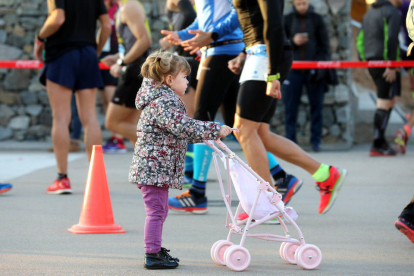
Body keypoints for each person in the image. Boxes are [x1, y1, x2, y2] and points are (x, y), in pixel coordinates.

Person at [162, 0, 302, 215]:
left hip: (224, 51)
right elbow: (206, 18)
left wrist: (213, 35)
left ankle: (198, 194)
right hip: (226, 51)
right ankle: (281, 177)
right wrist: (184, 34)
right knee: (239, 128)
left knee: (203, 122)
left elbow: (238, 14)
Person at [225, 0, 347, 216]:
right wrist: (244, 53)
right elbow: (254, 21)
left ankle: (267, 204)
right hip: (257, 54)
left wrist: (272, 73)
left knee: (243, 130)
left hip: (265, 57)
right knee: (261, 134)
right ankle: (324, 174)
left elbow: (273, 25)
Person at [128, 51, 233, 269]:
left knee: (160, 211)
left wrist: (205, 136)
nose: (188, 81)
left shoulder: (161, 99)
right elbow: (183, 127)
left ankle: (155, 249)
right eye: (185, 77)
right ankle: (152, 254)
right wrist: (215, 129)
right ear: (169, 79)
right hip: (153, 169)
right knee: (156, 212)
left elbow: (178, 132)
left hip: (154, 167)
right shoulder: (164, 101)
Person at [34, 0, 111, 194]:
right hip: (87, 54)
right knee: (90, 118)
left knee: (60, 117)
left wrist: (39, 37)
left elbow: (57, 19)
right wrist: (96, 51)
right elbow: (107, 25)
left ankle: (62, 179)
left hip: (61, 54)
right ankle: (97, 181)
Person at [102, 0, 152, 147]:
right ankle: (147, 167)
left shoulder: (129, 6)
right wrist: (118, 56)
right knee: (130, 124)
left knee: (113, 123)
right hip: (137, 70)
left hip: (135, 72)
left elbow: (145, 41)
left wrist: (122, 63)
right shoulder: (124, 7)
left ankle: (161, 149)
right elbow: (132, 44)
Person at [283, 0, 330, 152]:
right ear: (294, 3)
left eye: (304, 3)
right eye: (299, 4)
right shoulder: (287, 19)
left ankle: (316, 141)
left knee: (317, 107)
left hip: (313, 71)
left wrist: (320, 67)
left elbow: (325, 46)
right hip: (293, 71)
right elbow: (281, 45)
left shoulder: (317, 19)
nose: (302, 6)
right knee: (290, 109)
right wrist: (293, 41)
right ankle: (291, 142)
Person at [357, 0, 402, 156]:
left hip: (372, 61)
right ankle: (377, 143)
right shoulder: (392, 12)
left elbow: (360, 39)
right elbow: (392, 38)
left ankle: (380, 140)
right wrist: (391, 64)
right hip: (386, 62)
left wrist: (363, 61)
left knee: (389, 100)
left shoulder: (369, 12)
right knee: (384, 100)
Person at [160, 0, 198, 186]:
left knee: (189, 120)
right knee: (191, 119)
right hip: (189, 60)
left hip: (193, 61)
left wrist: (171, 40)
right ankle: (191, 173)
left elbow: (191, 20)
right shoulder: (175, 4)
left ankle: (191, 174)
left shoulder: (184, 4)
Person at [98, 0, 127, 154]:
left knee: (112, 100)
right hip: (101, 54)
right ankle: (113, 136)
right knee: (104, 100)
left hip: (115, 55)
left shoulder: (119, 9)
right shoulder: (99, 7)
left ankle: (119, 139)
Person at [395, 0, 414, 154]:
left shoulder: (400, 8)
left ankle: (405, 130)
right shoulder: (407, 6)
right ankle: (406, 130)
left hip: (407, 59)